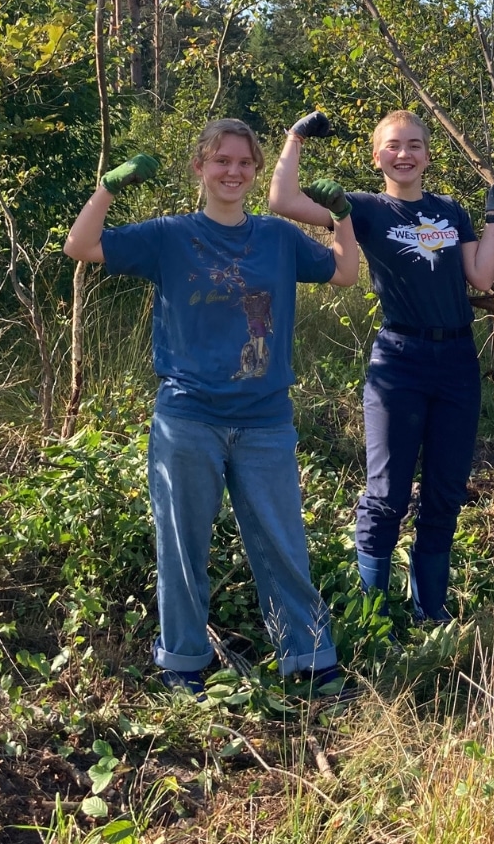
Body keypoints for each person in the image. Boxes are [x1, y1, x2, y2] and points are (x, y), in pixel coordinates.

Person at [63, 118, 359, 694]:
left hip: (265, 419)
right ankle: (184, 666)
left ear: (254, 170)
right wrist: (108, 185)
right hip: (188, 417)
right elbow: (81, 244)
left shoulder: (277, 238)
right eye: (221, 161)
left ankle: (313, 663)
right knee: (182, 544)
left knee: (282, 543)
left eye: (244, 163)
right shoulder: (170, 235)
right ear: (200, 167)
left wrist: (342, 214)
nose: (233, 172)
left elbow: (345, 272)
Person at [269, 110, 494, 623]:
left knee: (445, 491)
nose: (405, 154)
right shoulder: (364, 209)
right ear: (377, 156)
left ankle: (430, 613)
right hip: (400, 361)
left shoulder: (450, 211)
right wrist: (295, 137)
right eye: (394, 146)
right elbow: (282, 201)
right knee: (387, 493)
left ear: (427, 154)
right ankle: (372, 617)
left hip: (458, 360)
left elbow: (482, 278)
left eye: (415, 145)